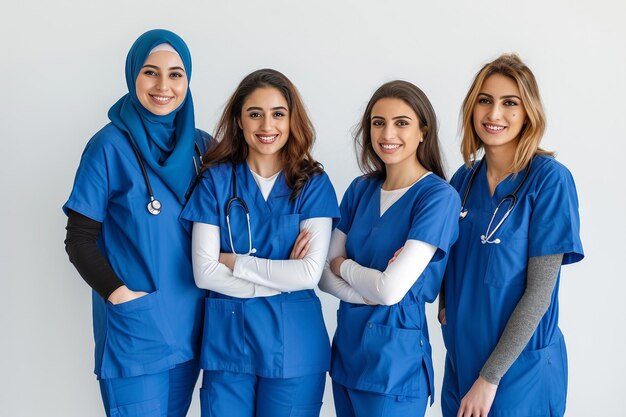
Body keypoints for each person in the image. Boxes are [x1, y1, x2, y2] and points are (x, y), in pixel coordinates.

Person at [63, 29, 209, 417]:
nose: (163, 86)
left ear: (188, 80)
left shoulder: (202, 147)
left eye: (176, 74)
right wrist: (117, 294)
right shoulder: (108, 146)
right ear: (133, 75)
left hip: (192, 325)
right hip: (137, 330)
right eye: (150, 72)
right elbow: (79, 239)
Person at [180, 68, 339, 417]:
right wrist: (282, 278)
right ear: (239, 119)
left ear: (291, 119)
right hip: (229, 344)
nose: (267, 126)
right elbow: (204, 274)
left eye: (278, 114)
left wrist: (235, 263)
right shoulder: (216, 180)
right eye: (255, 114)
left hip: (294, 347)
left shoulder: (312, 183)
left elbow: (310, 274)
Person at [440, 54, 584, 417]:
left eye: (509, 103)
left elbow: (540, 293)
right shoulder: (463, 180)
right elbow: (452, 259)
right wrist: (445, 306)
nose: (494, 114)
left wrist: (489, 378)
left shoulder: (549, 180)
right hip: (462, 361)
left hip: (519, 373)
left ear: (528, 112)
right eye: (485, 101)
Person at [318, 80, 460, 417]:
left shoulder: (437, 197)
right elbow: (322, 278)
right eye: (378, 122)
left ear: (423, 131)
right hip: (347, 358)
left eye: (401, 123)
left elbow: (391, 289)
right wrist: (364, 289)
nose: (387, 133)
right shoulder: (360, 189)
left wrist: (343, 266)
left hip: (395, 368)